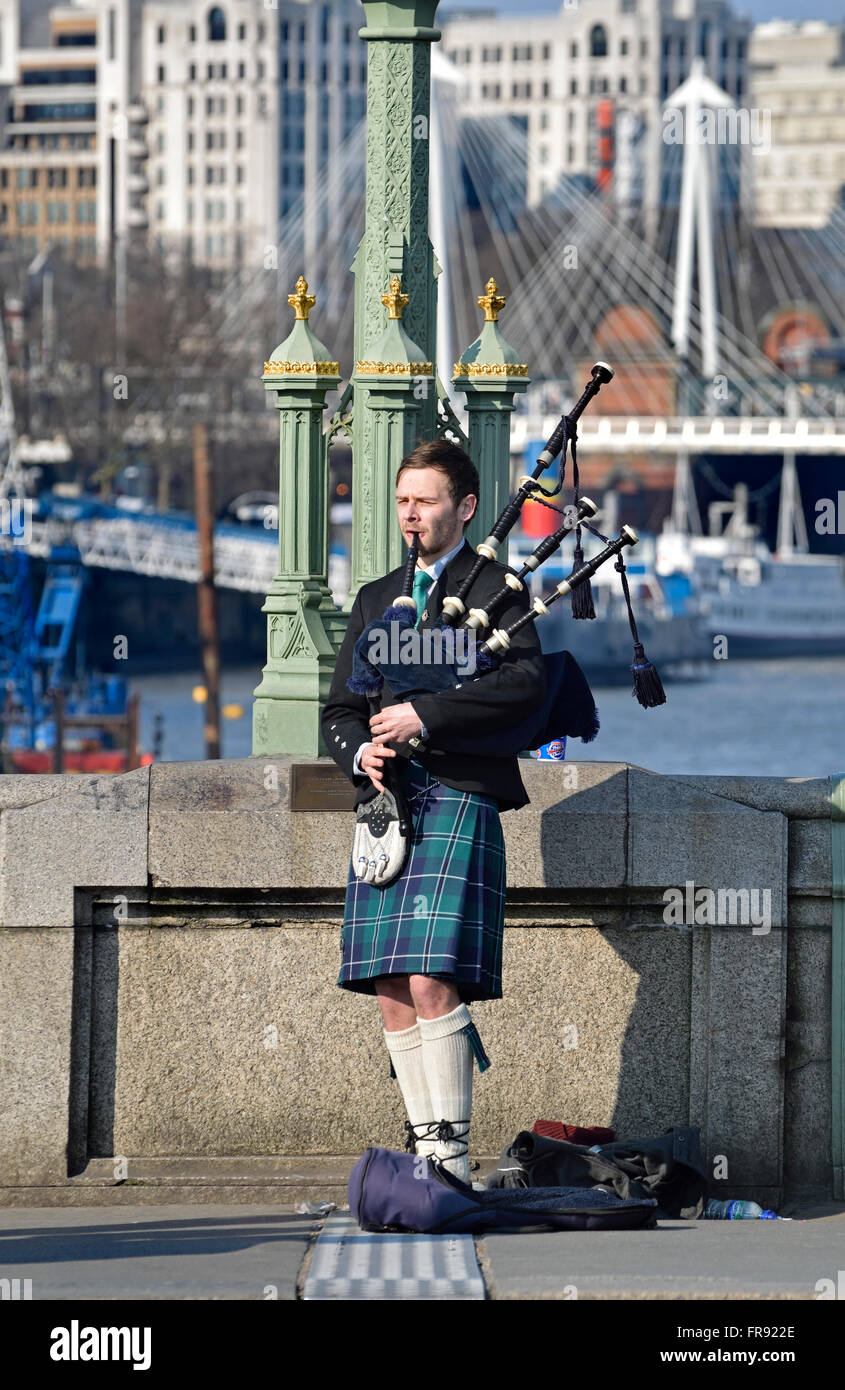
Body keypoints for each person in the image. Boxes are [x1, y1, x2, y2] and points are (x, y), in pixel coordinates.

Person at [321, 438, 546, 1183]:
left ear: (465, 507)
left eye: (424, 501)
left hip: (457, 792)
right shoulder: (374, 596)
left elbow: (523, 685)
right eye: (402, 501)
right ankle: (426, 1155)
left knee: (430, 979)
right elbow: (341, 709)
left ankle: (448, 1158)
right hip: (387, 806)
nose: (409, 514)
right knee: (388, 983)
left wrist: (425, 717)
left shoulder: (496, 591)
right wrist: (360, 753)